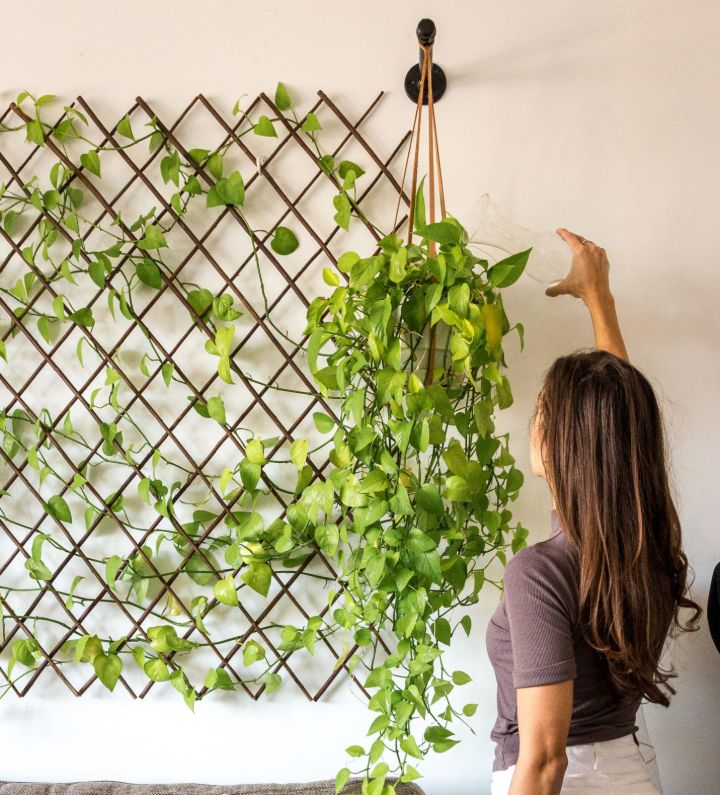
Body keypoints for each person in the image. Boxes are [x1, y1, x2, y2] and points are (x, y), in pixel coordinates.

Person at [485, 228, 702, 794]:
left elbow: (544, 763)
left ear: (559, 445)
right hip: (630, 777)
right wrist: (598, 298)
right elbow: (617, 418)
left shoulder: (538, 572)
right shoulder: (644, 547)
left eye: (541, 411)